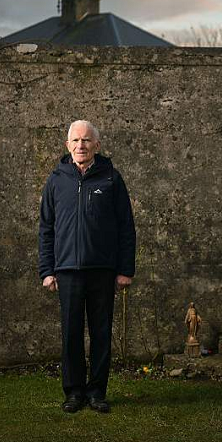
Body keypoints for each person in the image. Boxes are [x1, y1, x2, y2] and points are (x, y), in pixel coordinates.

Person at [38, 120, 136, 413]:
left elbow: (126, 228)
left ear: (97, 145)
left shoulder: (111, 179)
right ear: (68, 145)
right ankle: (74, 393)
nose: (81, 145)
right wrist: (47, 270)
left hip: (103, 270)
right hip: (67, 270)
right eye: (75, 141)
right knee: (71, 334)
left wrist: (125, 270)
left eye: (86, 140)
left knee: (101, 333)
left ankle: (97, 393)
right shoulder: (56, 180)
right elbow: (46, 228)